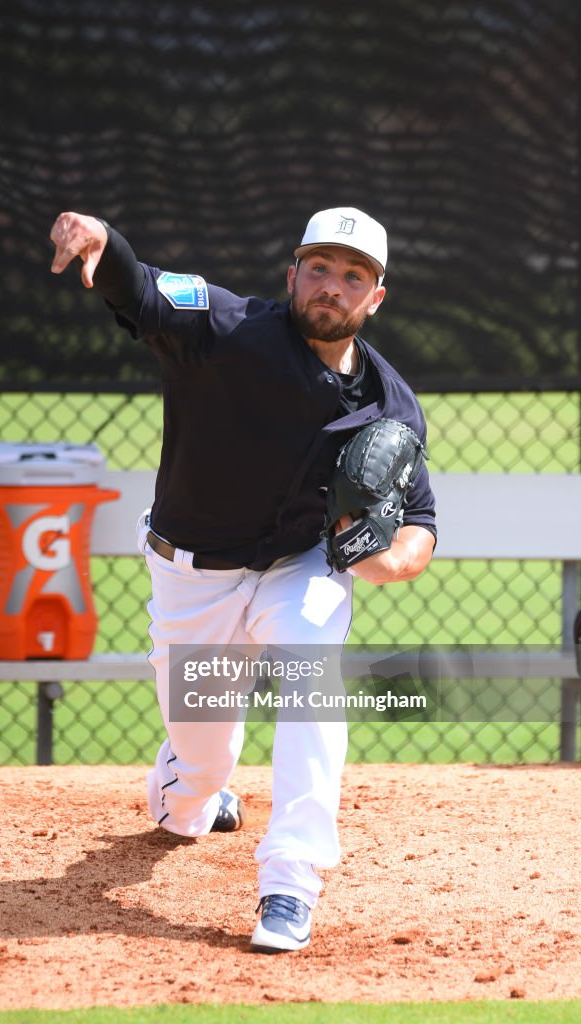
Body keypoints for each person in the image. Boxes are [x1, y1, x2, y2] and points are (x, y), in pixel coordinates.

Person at [49, 206, 437, 953]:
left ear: (375, 297)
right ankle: (190, 790)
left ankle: (290, 881)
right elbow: (146, 292)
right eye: (318, 267)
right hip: (192, 572)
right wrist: (107, 245)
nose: (331, 286)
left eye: (352, 275)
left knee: (311, 676)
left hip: (300, 566)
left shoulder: (389, 405)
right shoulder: (226, 330)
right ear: (292, 274)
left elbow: (419, 526)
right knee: (200, 770)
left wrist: (382, 558)